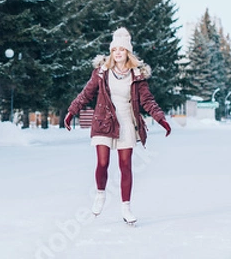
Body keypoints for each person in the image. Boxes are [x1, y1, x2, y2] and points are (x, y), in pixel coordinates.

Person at [64, 27, 171, 225]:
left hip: (127, 122)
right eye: (115, 49)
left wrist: (161, 119)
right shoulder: (102, 73)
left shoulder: (136, 75)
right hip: (104, 120)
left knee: (125, 166)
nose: (118, 53)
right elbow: (86, 93)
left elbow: (147, 101)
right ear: (111, 52)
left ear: (128, 52)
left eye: (122, 49)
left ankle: (126, 208)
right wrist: (72, 112)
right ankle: (100, 195)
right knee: (103, 162)